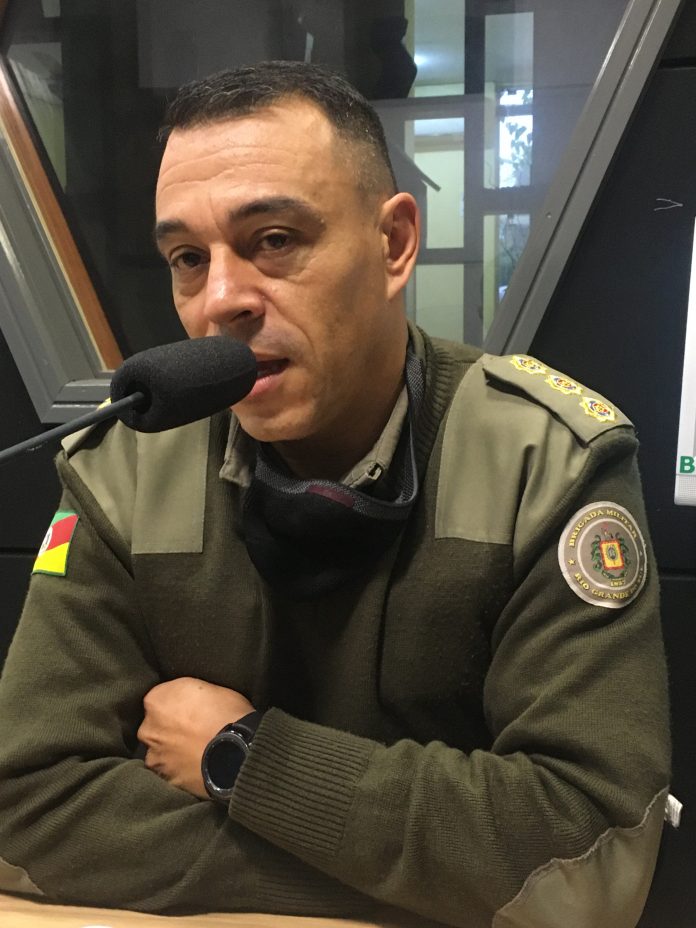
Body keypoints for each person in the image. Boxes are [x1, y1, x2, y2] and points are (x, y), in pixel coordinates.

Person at [0, 61, 670, 928]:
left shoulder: (544, 462)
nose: (221, 301)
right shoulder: (124, 468)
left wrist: (243, 758)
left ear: (394, 245)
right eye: (188, 259)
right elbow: (25, 800)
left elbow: (587, 850)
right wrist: (416, 880)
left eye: (275, 240)